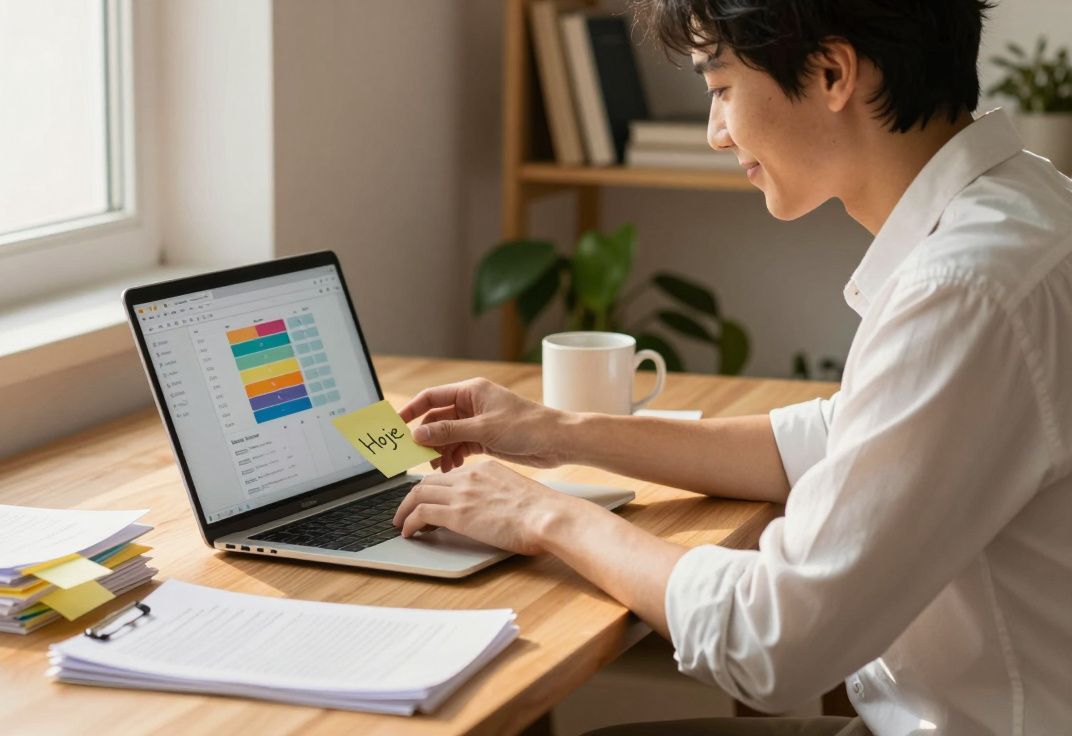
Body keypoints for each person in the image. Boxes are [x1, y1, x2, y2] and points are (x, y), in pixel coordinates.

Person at [392, 1, 1072, 734]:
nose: (717, 133)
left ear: (832, 72)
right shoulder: (1029, 208)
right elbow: (836, 439)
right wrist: (557, 431)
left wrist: (542, 514)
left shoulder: (964, 290)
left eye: (720, 89)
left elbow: (772, 641)